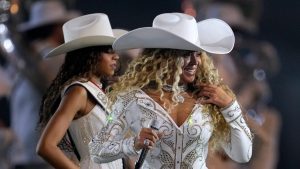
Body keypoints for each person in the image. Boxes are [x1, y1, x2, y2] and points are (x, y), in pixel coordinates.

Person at [89, 12, 253, 169]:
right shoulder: (131, 99)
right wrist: (134, 143)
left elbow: (243, 155)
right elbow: (97, 150)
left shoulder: (209, 98)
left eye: (198, 54)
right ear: (163, 57)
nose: (195, 62)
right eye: (186, 54)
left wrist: (230, 105)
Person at [36, 13, 123, 169]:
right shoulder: (78, 91)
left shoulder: (100, 91)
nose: (116, 56)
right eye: (108, 51)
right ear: (90, 55)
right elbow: (46, 146)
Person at [10, 1, 79, 169]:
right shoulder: (56, 58)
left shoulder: (28, 59)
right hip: (43, 157)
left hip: (22, 152)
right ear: (58, 28)